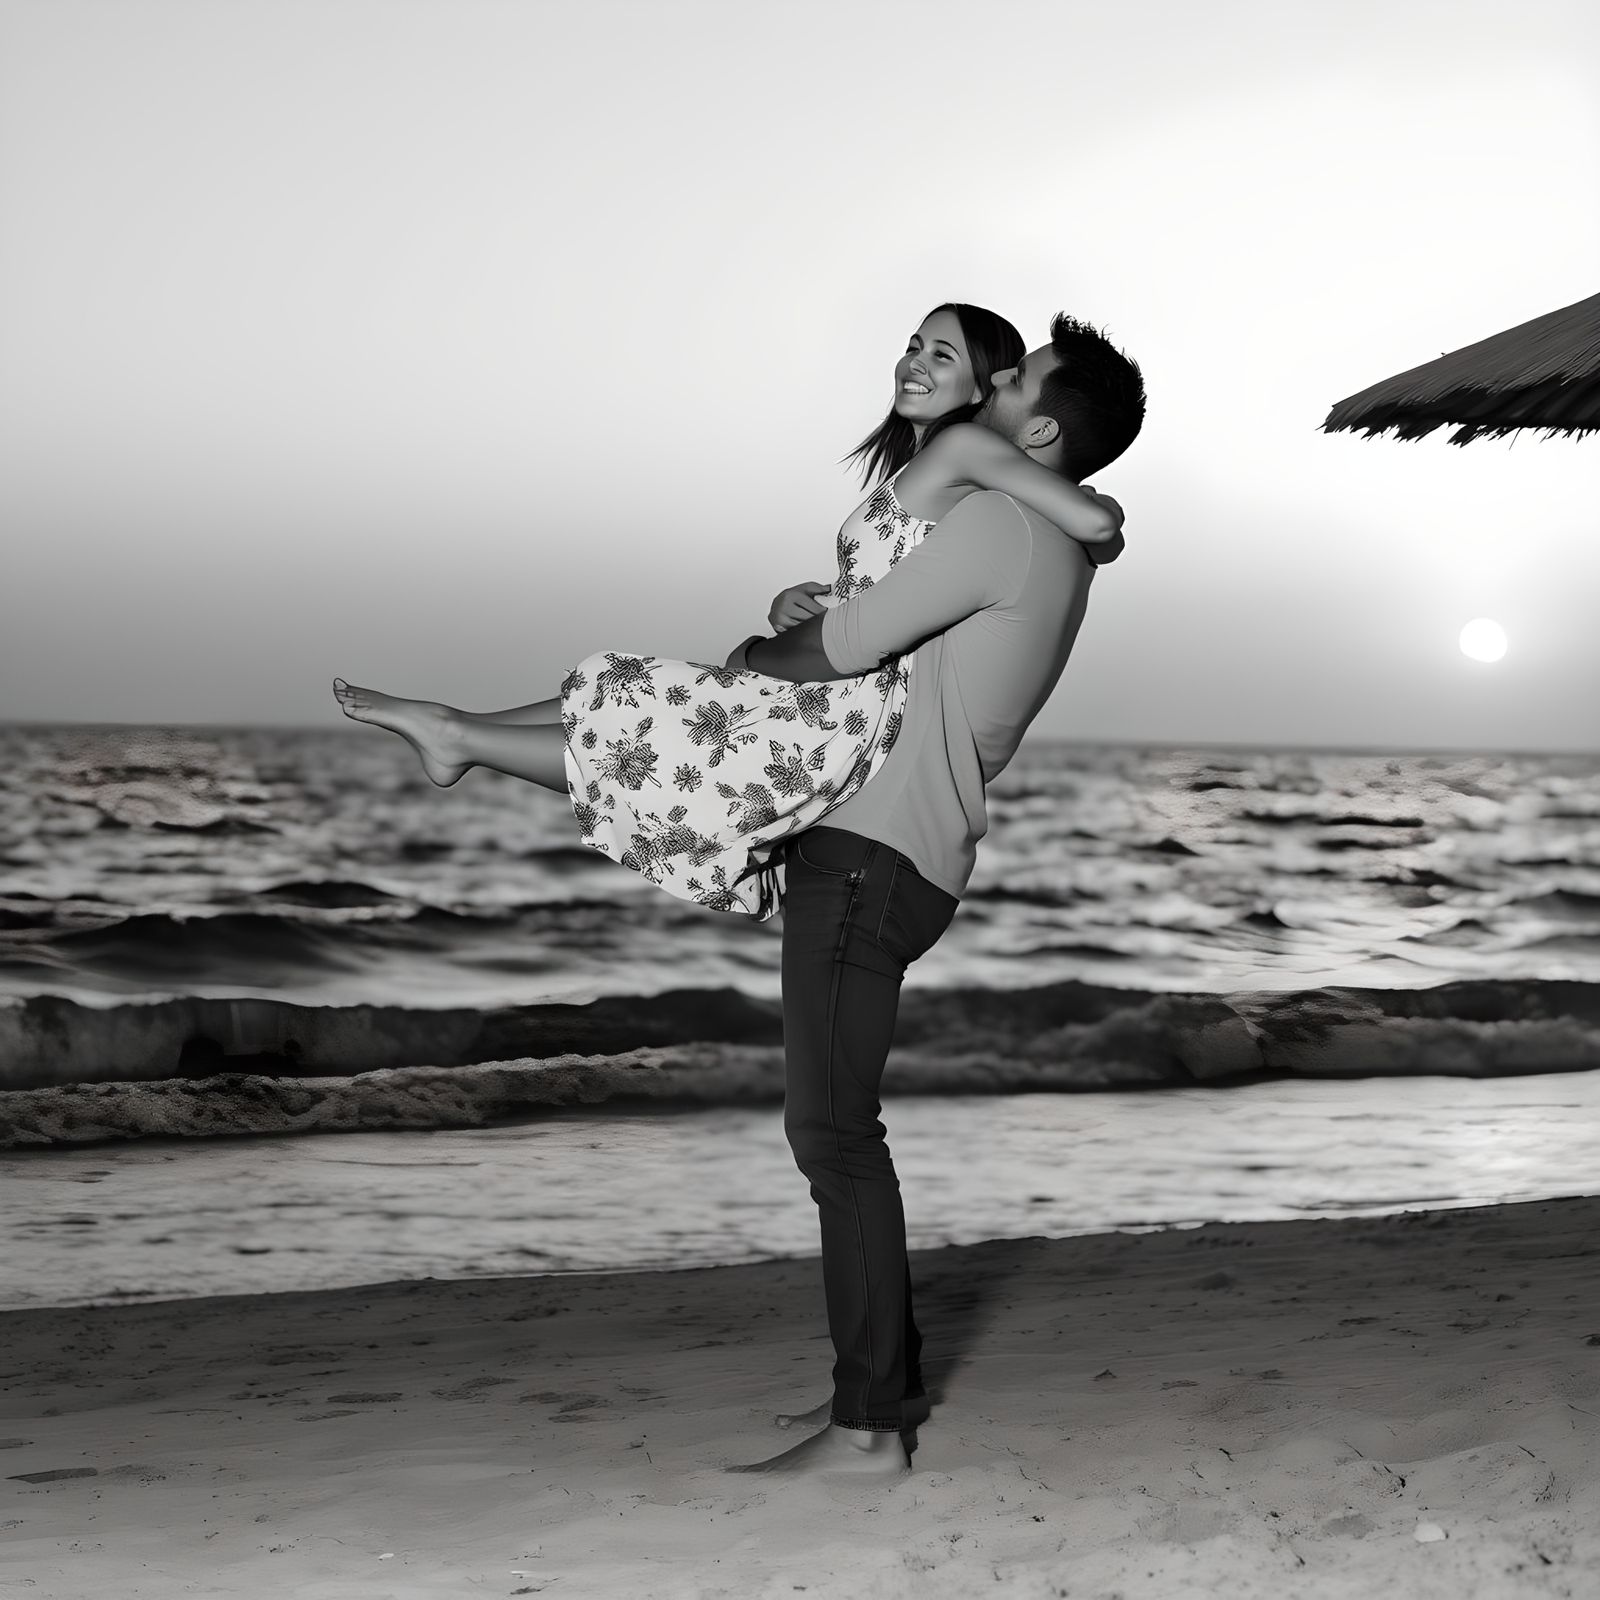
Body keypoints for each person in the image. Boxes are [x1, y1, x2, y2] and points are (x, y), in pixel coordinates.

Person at [720, 311, 1147, 1478]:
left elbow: (846, 649)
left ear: (1040, 426)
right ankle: (875, 1400)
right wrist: (822, 617)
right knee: (838, 1129)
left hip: (870, 853)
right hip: (900, 851)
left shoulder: (1002, 522)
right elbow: (886, 643)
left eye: (1019, 380)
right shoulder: (1032, 536)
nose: (997, 382)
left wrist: (755, 663)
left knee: (833, 1134)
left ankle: (867, 1424)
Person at [331, 304, 1125, 918]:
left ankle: (460, 734)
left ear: (984, 383)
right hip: (843, 682)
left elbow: (1093, 523)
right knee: (629, 696)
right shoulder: (938, 465)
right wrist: (806, 599)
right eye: (914, 343)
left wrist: (1099, 512)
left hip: (854, 707)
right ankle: (460, 731)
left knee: (634, 698)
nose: (915, 361)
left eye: (942, 354)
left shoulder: (965, 453)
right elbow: (912, 576)